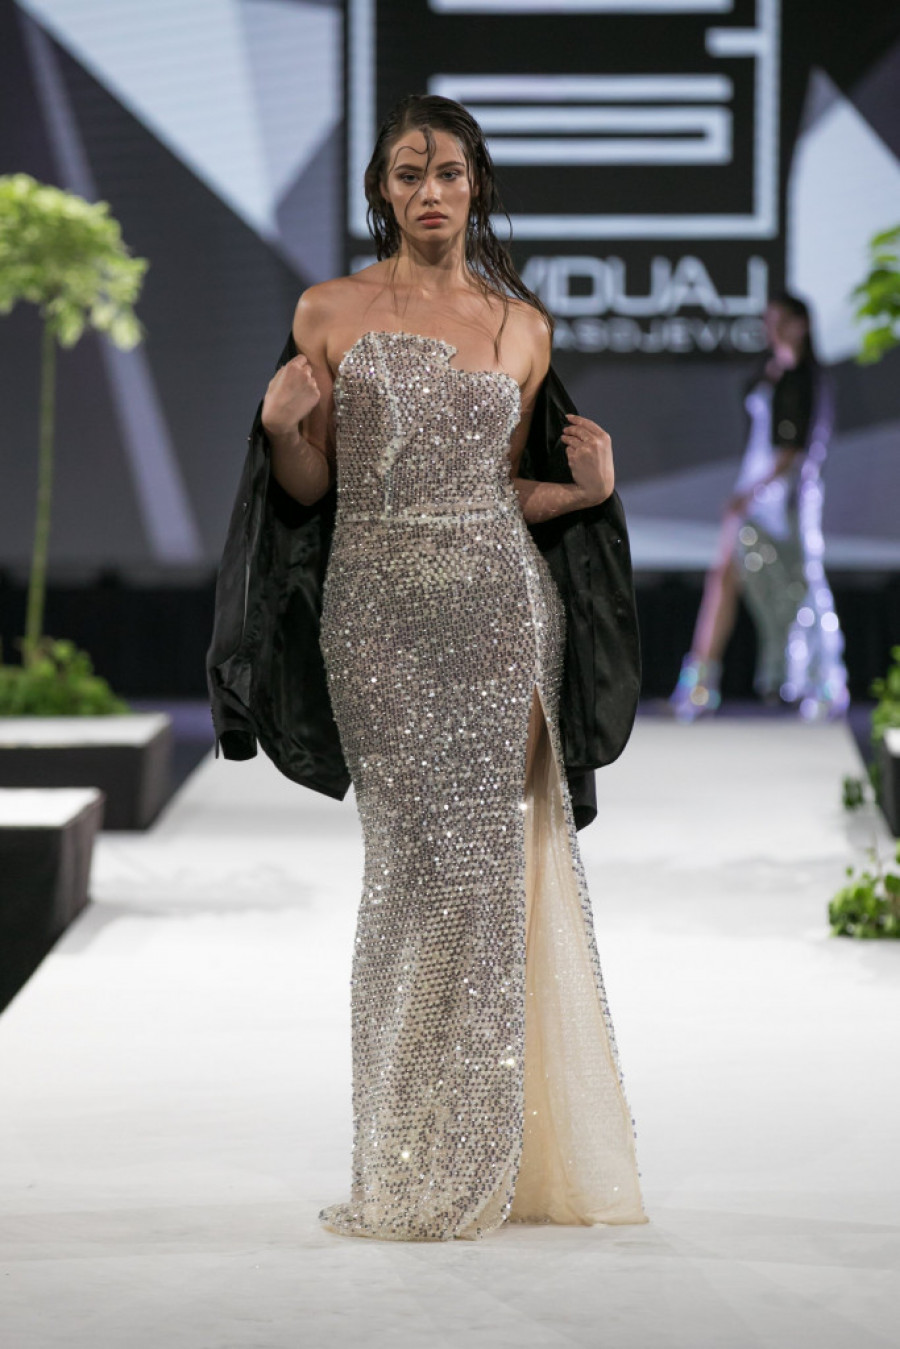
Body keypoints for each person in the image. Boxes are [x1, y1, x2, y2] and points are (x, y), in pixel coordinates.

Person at [209, 94, 647, 1241]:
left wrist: (586, 494)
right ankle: (403, 1151)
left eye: (449, 171)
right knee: (407, 871)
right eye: (409, 174)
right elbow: (315, 490)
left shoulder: (521, 327)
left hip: (501, 614)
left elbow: (496, 490)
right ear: (383, 192)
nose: (431, 192)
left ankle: (474, 1159)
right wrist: (283, 430)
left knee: (484, 875)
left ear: (476, 184)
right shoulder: (329, 309)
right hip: (375, 616)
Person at [670, 292, 849, 722]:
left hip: (783, 496)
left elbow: (794, 448)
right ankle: (699, 684)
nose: (771, 329)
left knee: (800, 585)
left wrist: (753, 492)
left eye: (780, 321)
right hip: (754, 487)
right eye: (768, 321)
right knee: (723, 576)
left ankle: (825, 679)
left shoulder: (807, 378)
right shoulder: (771, 372)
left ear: (800, 325)